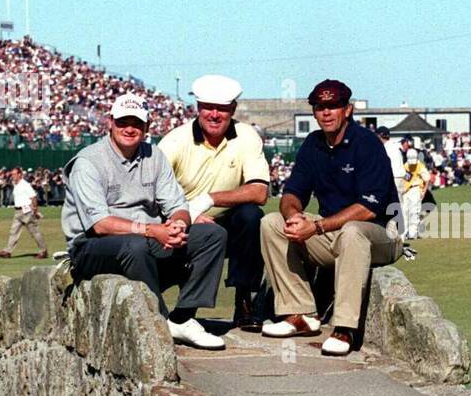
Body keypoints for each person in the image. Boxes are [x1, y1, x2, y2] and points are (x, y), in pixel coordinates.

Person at [61, 93, 227, 350]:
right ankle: (157, 319)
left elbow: (177, 205)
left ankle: (182, 317)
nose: (130, 129)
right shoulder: (88, 162)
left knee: (212, 235)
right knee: (134, 245)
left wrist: (178, 226)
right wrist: (152, 230)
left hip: (146, 239)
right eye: (123, 122)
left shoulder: (155, 155)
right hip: (93, 247)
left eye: (137, 123)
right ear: (111, 122)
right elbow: (100, 224)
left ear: (147, 127)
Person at [259, 79, 402, 356]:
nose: (326, 113)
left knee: (352, 231)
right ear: (314, 112)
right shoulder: (313, 144)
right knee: (271, 223)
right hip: (333, 234)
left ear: (347, 110)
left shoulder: (367, 143)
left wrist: (316, 226)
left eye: (333, 106)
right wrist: (294, 217)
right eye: (320, 107)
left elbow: (369, 208)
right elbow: (291, 193)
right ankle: (300, 313)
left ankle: (345, 327)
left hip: (382, 234)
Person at [158, 75, 270, 330]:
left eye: (222, 108)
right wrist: (187, 213)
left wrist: (208, 200)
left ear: (233, 109)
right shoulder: (175, 140)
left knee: (252, 216)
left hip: (227, 220)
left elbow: (259, 191)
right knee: (204, 234)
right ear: (197, 108)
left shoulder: (247, 135)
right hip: (182, 220)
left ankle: (244, 300)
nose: (215, 114)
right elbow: (152, 190)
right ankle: (185, 312)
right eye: (208, 107)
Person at [0, 166, 48, 259]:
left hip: (27, 211)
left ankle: (43, 251)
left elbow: (33, 197)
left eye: (14, 174)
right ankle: (7, 251)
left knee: (34, 232)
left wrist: (35, 209)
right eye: (12, 174)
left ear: (20, 174)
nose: (12, 176)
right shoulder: (16, 184)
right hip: (18, 211)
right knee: (13, 231)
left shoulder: (25, 185)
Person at [400, 147, 430, 240]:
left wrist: (424, 191)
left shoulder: (420, 166)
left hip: (416, 190)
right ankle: (404, 233)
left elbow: (427, 179)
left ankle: (412, 233)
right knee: (404, 212)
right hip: (405, 191)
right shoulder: (405, 166)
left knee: (414, 211)